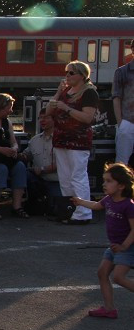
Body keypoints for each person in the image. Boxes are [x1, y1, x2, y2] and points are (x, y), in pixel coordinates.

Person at [71, 163, 134, 319]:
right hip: (114, 247)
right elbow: (96, 205)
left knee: (118, 277)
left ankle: (109, 308)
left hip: (127, 248)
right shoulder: (109, 200)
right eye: (104, 180)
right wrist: (81, 202)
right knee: (102, 273)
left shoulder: (128, 206)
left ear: (121, 186)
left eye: (109, 181)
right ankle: (109, 308)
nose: (104, 184)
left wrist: (124, 246)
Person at [46, 61, 99, 225]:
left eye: (71, 73)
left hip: (78, 140)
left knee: (78, 176)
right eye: (66, 72)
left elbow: (87, 118)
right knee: (65, 178)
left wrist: (66, 108)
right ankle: (68, 210)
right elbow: (48, 112)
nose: (67, 76)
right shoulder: (65, 91)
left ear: (82, 76)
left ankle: (83, 212)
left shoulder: (89, 93)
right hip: (61, 139)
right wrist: (57, 94)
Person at [22, 109, 62, 216]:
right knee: (23, 172)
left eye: (46, 117)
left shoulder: (62, 140)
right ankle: (34, 202)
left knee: (56, 210)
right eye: (40, 118)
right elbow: (26, 155)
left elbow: (63, 164)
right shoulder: (34, 140)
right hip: (38, 180)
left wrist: (43, 169)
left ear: (54, 120)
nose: (42, 120)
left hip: (57, 182)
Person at [111, 41, 134, 164]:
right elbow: (116, 97)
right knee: (122, 164)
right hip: (128, 122)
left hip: (126, 123)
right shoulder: (122, 72)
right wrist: (121, 122)